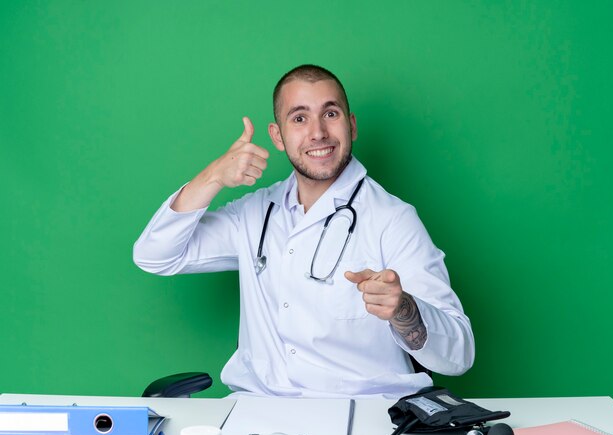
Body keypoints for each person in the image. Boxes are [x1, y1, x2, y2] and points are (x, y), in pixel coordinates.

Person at [133, 64, 474, 399]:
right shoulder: (255, 213)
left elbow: (459, 355)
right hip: (259, 413)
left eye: (331, 114)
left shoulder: (392, 219)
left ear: (351, 126)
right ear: (277, 136)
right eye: (299, 118)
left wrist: (404, 309)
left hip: (364, 413)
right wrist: (213, 177)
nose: (318, 133)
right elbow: (155, 256)